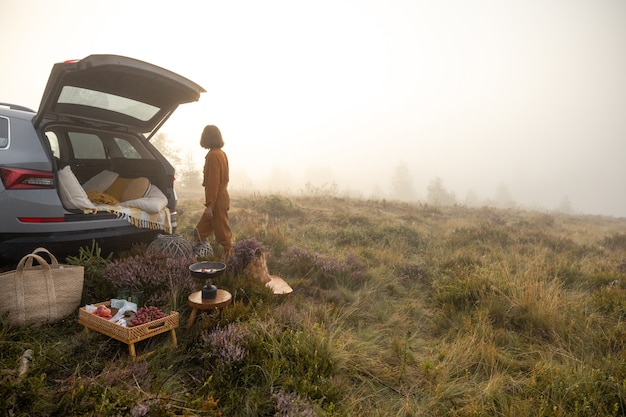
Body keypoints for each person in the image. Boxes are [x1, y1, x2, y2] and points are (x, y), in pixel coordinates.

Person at [194, 125, 232, 259]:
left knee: (224, 236)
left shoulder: (213, 155)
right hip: (219, 199)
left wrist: (210, 205)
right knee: (199, 232)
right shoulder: (221, 153)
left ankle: (231, 262)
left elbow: (213, 183)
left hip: (216, 201)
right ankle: (206, 256)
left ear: (207, 137)